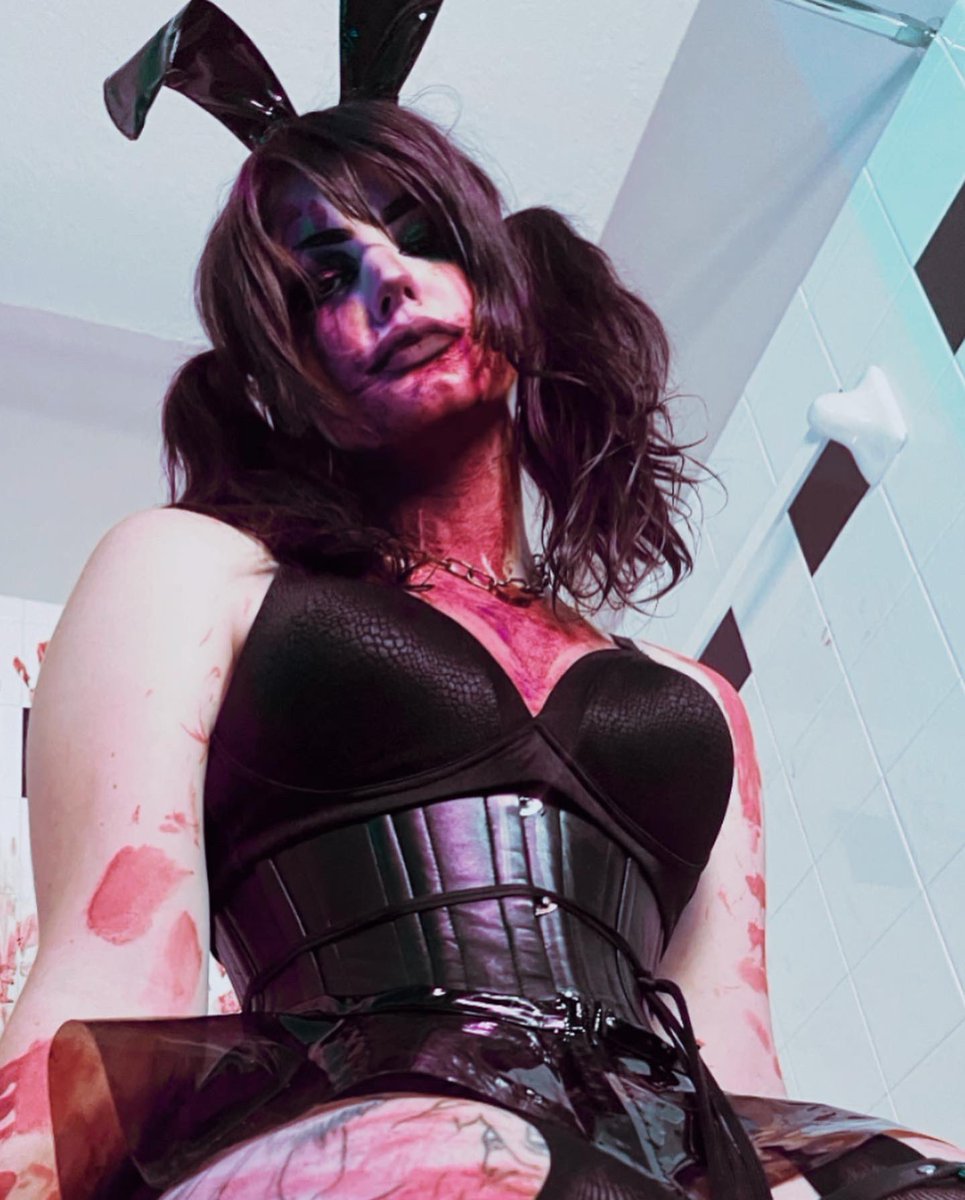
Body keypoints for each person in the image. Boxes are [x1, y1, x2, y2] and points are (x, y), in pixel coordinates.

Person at [2, 12, 965, 1200]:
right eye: (321, 281)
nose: (387, 281)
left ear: (502, 280)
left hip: (647, 1151)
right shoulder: (193, 572)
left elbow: (737, 1072)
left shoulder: (698, 702)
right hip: (358, 1136)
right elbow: (105, 980)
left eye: (420, 236)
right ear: (282, 378)